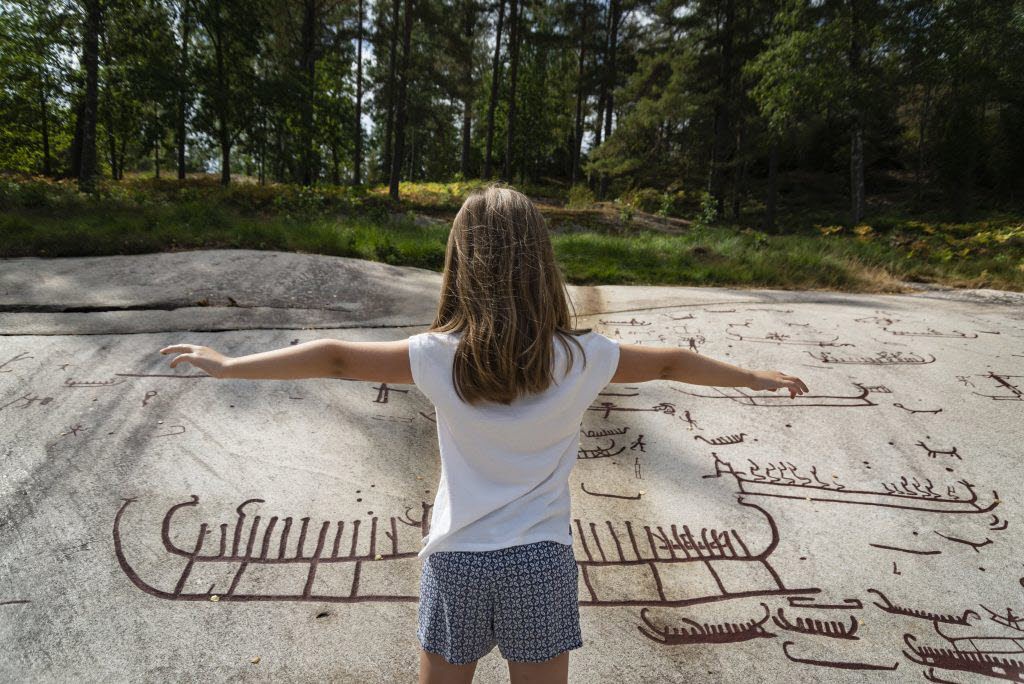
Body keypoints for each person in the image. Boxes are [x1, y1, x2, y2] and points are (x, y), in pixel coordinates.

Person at [159, 184, 808, 684]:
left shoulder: (437, 355)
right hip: (540, 561)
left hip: (458, 558)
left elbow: (332, 357)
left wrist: (230, 366)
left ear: (463, 262)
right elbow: (670, 363)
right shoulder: (583, 357)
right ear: (541, 262)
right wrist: (753, 376)